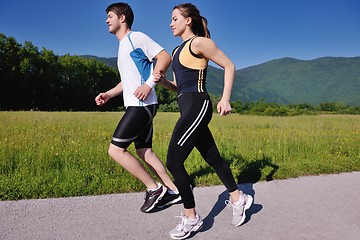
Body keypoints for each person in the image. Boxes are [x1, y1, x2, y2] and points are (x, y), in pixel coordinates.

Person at [155, 3, 253, 239]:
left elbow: (229, 65)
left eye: (175, 18)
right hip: (187, 107)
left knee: (174, 162)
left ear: (188, 20)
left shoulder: (199, 42)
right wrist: (164, 83)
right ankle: (239, 198)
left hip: (199, 106)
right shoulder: (177, 51)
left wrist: (225, 98)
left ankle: (191, 218)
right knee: (213, 158)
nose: (170, 23)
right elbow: (180, 87)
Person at [95, 2, 181, 213]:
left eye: (110, 16)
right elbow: (128, 81)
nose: (106, 20)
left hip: (141, 105)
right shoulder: (123, 45)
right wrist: (109, 94)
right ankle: (173, 190)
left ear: (122, 18)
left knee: (115, 150)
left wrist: (149, 84)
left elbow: (164, 56)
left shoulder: (136, 38)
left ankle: (154, 188)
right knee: (145, 152)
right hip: (141, 105)